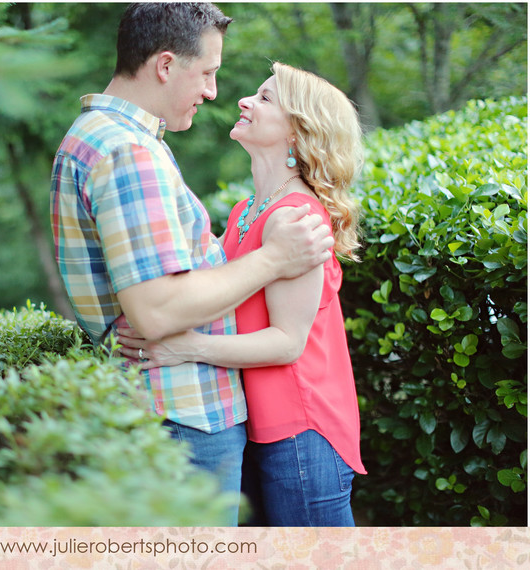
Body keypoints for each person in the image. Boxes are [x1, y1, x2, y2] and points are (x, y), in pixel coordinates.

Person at [50, 4, 333, 526]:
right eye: (208, 73)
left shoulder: (96, 136)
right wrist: (274, 258)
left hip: (172, 407)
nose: (214, 92)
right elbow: (157, 311)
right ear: (164, 65)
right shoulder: (128, 151)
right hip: (183, 414)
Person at [117, 62, 367, 526]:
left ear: (298, 132)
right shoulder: (245, 212)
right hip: (258, 425)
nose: (244, 101)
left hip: (301, 430)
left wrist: (188, 347)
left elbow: (287, 342)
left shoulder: (297, 219)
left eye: (266, 98)